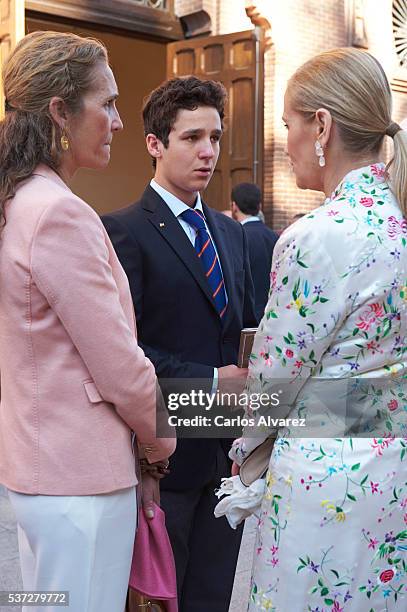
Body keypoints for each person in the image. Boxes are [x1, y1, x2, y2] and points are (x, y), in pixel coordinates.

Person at [0, 31, 175, 612]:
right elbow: (120, 365)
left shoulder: (20, 201)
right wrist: (160, 439)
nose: (119, 122)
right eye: (107, 103)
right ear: (58, 112)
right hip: (81, 483)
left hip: (44, 475)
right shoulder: (58, 214)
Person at [230, 48, 407, 610]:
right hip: (393, 471)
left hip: (325, 478)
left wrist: (246, 455)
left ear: (322, 126)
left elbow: (273, 382)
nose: (286, 145)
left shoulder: (317, 237)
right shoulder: (398, 228)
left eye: (288, 125)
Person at [102, 76, 257, 612]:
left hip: (227, 458)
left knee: (214, 597)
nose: (209, 152)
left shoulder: (230, 232)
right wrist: (212, 381)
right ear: (155, 144)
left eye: (214, 137)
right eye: (192, 138)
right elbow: (125, 350)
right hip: (161, 460)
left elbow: (244, 329)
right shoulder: (123, 230)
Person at [231, 182, 278, 322]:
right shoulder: (275, 237)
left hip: (243, 316)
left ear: (234, 206)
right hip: (271, 315)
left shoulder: (235, 237)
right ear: (260, 207)